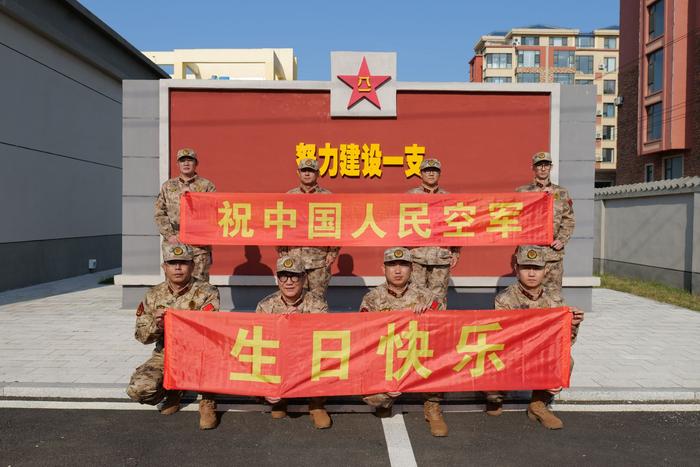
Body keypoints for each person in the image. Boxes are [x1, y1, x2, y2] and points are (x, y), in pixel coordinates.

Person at [486, 245, 584, 430]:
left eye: (537, 268)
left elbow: (564, 342)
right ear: (516, 269)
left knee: (566, 361)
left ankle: (538, 405)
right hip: (512, 353)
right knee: (489, 360)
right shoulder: (505, 299)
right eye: (526, 268)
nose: (531, 273)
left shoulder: (556, 301)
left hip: (540, 352)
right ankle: (495, 397)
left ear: (546, 270)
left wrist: (573, 324)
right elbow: (502, 338)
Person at [126, 243, 221, 430]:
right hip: (167, 353)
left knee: (212, 360)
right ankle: (173, 389)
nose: (178, 267)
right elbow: (141, 336)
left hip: (199, 353)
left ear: (192, 266)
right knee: (139, 389)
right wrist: (157, 325)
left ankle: (208, 400)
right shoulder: (153, 295)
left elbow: (210, 331)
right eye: (172, 263)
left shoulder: (207, 292)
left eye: (183, 263)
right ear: (164, 267)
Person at [359, 247, 448, 437]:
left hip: (418, 358)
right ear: (383, 269)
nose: (398, 271)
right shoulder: (372, 298)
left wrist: (429, 313)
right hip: (388, 360)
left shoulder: (427, 296)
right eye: (392, 265)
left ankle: (432, 405)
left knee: (439, 357)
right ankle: (386, 398)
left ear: (412, 269)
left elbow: (443, 330)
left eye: (403, 265)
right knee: (374, 398)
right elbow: (365, 338)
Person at [255, 255, 332, 429]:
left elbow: (324, 342)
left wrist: (300, 324)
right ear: (277, 279)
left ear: (304, 278)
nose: (289, 282)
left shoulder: (317, 304)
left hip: (306, 359)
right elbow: (259, 345)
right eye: (284, 276)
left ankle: (317, 404)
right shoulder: (265, 306)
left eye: (294, 276)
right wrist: (266, 387)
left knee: (325, 358)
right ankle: (279, 400)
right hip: (279, 360)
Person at [278, 158, 339, 298]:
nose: (307, 174)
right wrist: (282, 250)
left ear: (317, 174)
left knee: (318, 300)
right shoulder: (289, 197)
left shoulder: (328, 197)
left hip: (319, 260)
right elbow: (280, 225)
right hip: (294, 259)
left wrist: (332, 253)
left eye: (311, 171)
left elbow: (337, 226)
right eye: (304, 170)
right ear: (298, 173)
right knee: (295, 299)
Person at [516, 152, 575, 295]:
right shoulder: (521, 192)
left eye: (546, 165)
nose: (543, 168)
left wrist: (562, 239)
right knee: (528, 295)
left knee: (553, 295)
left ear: (551, 167)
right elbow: (514, 219)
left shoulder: (561, 193)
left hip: (552, 254)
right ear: (533, 168)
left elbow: (568, 219)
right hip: (529, 253)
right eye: (539, 165)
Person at [154, 147, 216, 281]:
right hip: (175, 241)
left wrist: (194, 198)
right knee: (174, 282)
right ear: (178, 164)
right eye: (182, 161)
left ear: (196, 163)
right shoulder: (168, 186)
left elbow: (212, 212)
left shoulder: (206, 186)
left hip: (198, 243)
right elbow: (160, 213)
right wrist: (169, 235)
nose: (186, 163)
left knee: (199, 282)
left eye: (190, 160)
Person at [406, 158, 460, 307]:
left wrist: (456, 252)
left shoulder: (448, 198)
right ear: (421, 174)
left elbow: (456, 226)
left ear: (439, 174)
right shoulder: (409, 197)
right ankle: (417, 329)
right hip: (416, 257)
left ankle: (438, 329)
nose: (431, 173)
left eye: (435, 171)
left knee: (438, 300)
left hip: (440, 257)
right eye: (427, 170)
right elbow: (400, 225)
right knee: (415, 298)